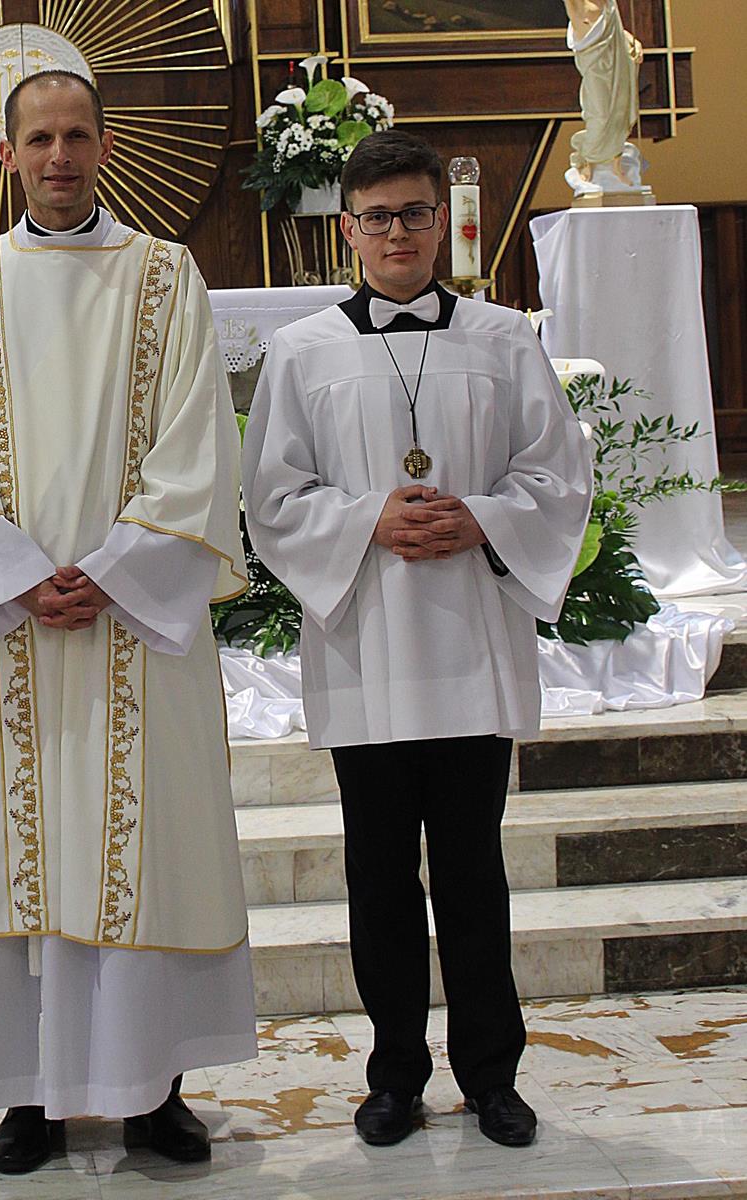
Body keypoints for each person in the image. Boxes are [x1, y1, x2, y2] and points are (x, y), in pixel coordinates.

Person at [0, 69, 256, 1173]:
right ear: (5, 153)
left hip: (132, 622)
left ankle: (152, 1090)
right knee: (17, 849)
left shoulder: (166, 273)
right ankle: (28, 1095)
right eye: (39, 138)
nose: (59, 156)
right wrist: (14, 576)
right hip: (10, 625)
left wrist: (113, 571)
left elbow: (198, 444)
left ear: (104, 145)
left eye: (77, 136)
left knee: (149, 843)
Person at [242, 130, 592, 1149]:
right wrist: (369, 520)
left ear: (443, 222)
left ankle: (492, 1076)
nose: (397, 233)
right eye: (378, 217)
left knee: (474, 872)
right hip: (367, 648)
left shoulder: (504, 338)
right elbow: (272, 497)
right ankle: (394, 1073)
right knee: (379, 878)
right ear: (347, 230)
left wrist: (480, 517)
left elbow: (556, 476)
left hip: (471, 642)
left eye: (415, 214)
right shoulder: (303, 351)